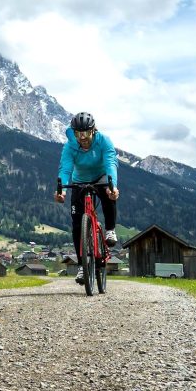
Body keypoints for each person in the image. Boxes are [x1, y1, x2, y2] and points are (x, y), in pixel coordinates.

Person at [53, 112, 118, 284]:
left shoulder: (104, 141)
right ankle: (83, 265)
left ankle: (110, 230)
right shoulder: (69, 146)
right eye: (78, 134)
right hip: (79, 181)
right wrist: (62, 192)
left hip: (101, 176)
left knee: (108, 194)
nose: (82, 138)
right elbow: (65, 169)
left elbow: (111, 163)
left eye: (86, 133)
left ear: (93, 131)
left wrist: (113, 187)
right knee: (76, 223)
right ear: (74, 133)